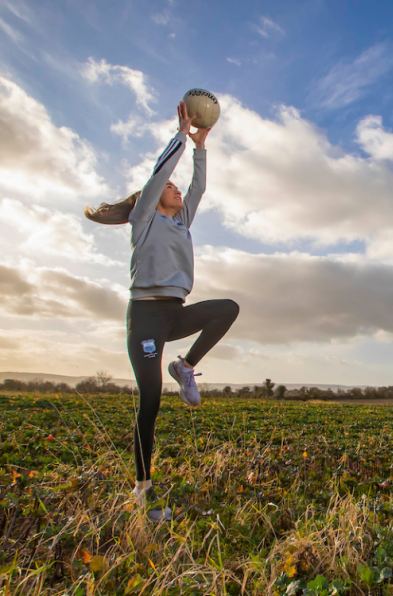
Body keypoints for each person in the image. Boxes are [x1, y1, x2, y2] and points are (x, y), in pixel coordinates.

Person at [86, 102, 239, 521]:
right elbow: (157, 178)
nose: (175, 189)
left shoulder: (180, 220)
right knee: (149, 401)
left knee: (227, 308)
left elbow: (199, 188)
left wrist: (200, 147)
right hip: (146, 320)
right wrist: (180, 133)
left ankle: (185, 366)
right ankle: (143, 490)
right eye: (168, 187)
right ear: (152, 200)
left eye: (175, 187)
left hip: (175, 312)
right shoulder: (144, 218)